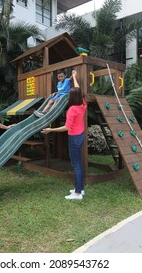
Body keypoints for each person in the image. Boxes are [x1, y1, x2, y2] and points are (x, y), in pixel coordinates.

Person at [41, 70, 87, 200]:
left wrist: (51, 130)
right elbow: (78, 89)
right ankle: (80, 189)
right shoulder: (83, 104)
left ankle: (77, 193)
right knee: (78, 163)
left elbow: (66, 127)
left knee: (76, 164)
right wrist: (75, 77)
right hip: (81, 136)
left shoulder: (72, 110)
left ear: (71, 97)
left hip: (74, 138)